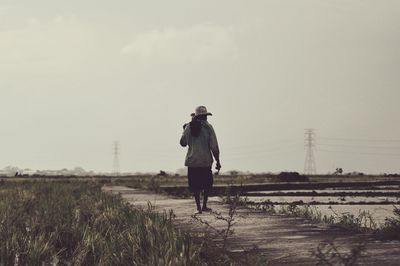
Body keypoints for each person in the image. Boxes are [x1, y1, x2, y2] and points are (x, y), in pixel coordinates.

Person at [180, 106, 221, 214]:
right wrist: (217, 160)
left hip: (192, 162)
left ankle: (198, 208)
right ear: (204, 116)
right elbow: (214, 146)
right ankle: (204, 206)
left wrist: (184, 130)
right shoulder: (208, 127)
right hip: (205, 161)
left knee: (195, 186)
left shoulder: (189, 127)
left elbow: (183, 143)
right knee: (207, 185)